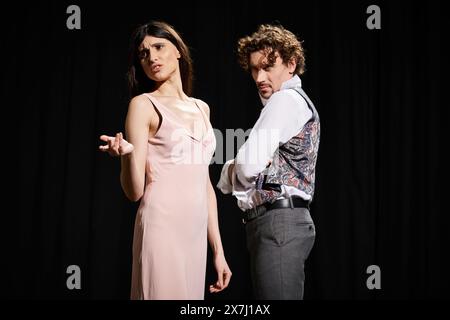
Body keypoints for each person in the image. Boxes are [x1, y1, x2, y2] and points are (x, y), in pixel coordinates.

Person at [99, 21, 231, 300]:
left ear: (179, 51)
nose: (152, 58)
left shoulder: (202, 108)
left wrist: (218, 252)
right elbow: (134, 192)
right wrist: (126, 154)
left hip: (194, 234)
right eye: (143, 54)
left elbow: (204, 184)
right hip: (162, 225)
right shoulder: (143, 105)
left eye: (158, 47)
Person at [217, 24, 320, 300]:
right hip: (281, 223)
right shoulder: (293, 102)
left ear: (291, 63)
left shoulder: (284, 100)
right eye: (254, 69)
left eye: (268, 66)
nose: (260, 77)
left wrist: (230, 169)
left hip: (279, 223)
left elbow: (248, 166)